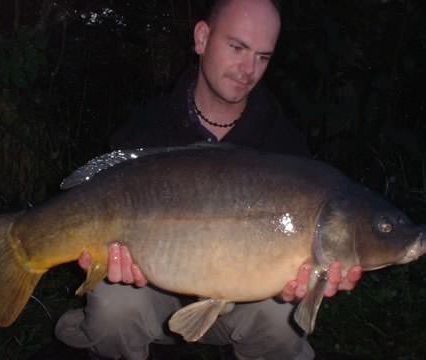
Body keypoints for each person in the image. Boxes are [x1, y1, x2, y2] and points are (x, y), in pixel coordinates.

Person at [55, 0, 362, 359]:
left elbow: (313, 251)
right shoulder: (146, 129)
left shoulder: (283, 144)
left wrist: (314, 280)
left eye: (263, 57)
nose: (249, 69)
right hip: (153, 291)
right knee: (114, 307)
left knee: (283, 321)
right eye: (237, 48)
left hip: (244, 300)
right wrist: (108, 262)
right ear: (202, 38)